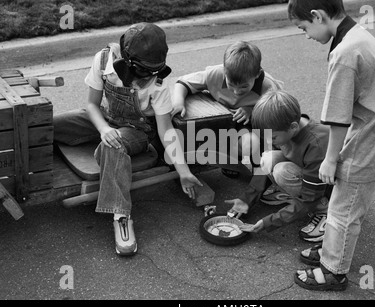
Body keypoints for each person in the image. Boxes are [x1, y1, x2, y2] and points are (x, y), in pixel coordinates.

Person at [54, 22, 202, 256]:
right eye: (144, 71)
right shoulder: (103, 60)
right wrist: (103, 128)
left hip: (136, 131)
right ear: (127, 61)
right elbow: (91, 105)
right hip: (102, 118)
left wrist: (183, 171)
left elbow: (166, 131)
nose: (149, 77)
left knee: (112, 145)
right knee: (47, 126)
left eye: (154, 70)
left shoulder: (159, 84)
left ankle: (121, 216)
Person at [288, 0, 375, 291]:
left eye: (304, 28)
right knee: (343, 203)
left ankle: (333, 270)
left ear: (318, 16)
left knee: (343, 210)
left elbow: (338, 117)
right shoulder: (358, 34)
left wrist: (329, 159)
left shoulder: (344, 52)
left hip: (368, 138)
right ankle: (330, 251)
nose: (306, 35)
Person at [228, 90, 331, 243]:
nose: (271, 141)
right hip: (307, 174)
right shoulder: (284, 128)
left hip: (327, 188)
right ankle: (292, 195)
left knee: (282, 172)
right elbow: (264, 168)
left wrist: (269, 221)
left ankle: (324, 211)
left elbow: (310, 197)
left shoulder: (316, 145)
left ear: (293, 127)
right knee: (268, 158)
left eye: (273, 137)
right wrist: (247, 199)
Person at [172, 40, 283, 177]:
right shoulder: (215, 74)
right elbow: (182, 83)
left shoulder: (268, 86)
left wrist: (252, 110)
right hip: (223, 120)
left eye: (243, 86)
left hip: (254, 124)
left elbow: (277, 115)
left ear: (257, 74)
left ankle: (261, 172)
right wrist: (178, 102)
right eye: (231, 85)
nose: (236, 91)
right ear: (224, 71)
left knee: (252, 143)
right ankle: (230, 158)